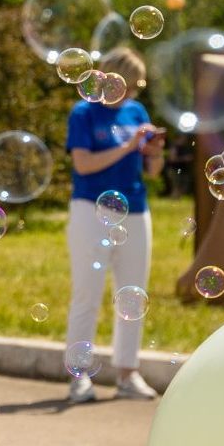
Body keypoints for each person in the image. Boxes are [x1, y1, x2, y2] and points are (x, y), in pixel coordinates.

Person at [64, 44, 164, 403]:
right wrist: (128, 146)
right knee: (87, 293)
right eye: (130, 85)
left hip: (135, 209)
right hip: (90, 209)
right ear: (111, 77)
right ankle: (79, 375)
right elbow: (83, 165)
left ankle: (127, 372)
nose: (134, 94)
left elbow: (153, 172)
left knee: (132, 295)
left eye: (137, 87)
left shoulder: (136, 111)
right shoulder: (84, 113)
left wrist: (154, 152)